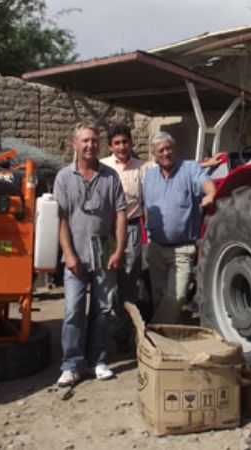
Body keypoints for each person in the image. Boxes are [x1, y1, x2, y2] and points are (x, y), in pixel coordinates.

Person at [54, 121, 127, 386]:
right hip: (75, 252)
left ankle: (97, 359)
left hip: (104, 250)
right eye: (85, 140)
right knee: (73, 308)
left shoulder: (110, 176)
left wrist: (118, 249)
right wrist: (68, 253)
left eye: (94, 141)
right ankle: (71, 364)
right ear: (75, 144)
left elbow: (120, 214)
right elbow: (61, 218)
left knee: (102, 309)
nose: (90, 145)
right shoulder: (64, 177)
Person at [142, 131, 216, 324]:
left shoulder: (189, 168)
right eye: (161, 150)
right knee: (159, 296)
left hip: (183, 248)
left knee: (176, 297)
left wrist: (211, 193)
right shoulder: (149, 176)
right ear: (154, 155)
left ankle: (153, 332)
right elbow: (147, 207)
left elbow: (206, 182)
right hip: (156, 247)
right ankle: (166, 338)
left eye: (169, 148)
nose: (166, 153)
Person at [100, 124, 151, 353]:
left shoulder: (143, 168)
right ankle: (98, 335)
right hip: (105, 231)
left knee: (128, 284)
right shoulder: (102, 166)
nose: (122, 147)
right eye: (117, 143)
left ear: (131, 143)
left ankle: (123, 334)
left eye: (125, 142)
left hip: (131, 229)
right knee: (103, 281)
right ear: (110, 146)